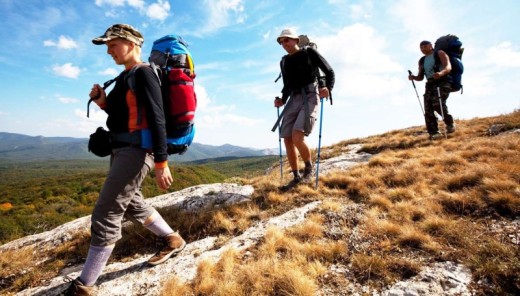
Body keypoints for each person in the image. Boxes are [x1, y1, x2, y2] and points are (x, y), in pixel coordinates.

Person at [65, 24, 186, 295]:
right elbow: (121, 115)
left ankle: (85, 286)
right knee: (132, 204)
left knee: (106, 213)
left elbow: (157, 118)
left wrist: (162, 162)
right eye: (107, 47)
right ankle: (173, 239)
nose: (109, 51)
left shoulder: (144, 73)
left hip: (137, 152)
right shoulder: (125, 76)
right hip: (121, 150)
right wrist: (103, 101)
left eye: (112, 45)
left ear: (131, 44)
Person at [273, 28, 335, 191]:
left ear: (295, 40)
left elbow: (329, 71)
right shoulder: (284, 61)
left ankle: (309, 168)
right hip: (294, 97)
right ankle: (296, 177)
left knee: (297, 136)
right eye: (281, 41)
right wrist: (282, 99)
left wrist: (328, 88)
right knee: (287, 138)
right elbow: (287, 85)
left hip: (310, 95)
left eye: (286, 40)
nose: (283, 44)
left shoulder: (309, 53)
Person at [409, 40, 456, 139]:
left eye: (425, 46)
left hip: (443, 81)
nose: (423, 49)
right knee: (428, 108)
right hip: (430, 83)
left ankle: (449, 123)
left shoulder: (439, 53)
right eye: (421, 47)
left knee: (437, 103)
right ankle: (434, 133)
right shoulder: (422, 60)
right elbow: (421, 77)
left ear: (431, 46)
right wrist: (413, 77)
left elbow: (448, 67)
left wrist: (441, 73)